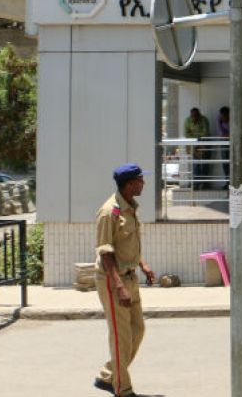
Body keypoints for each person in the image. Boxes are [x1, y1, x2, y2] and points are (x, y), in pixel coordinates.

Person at [94, 163, 155, 397]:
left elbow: (128, 243)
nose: (143, 184)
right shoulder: (110, 211)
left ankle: (109, 375)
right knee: (121, 337)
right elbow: (106, 251)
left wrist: (142, 264)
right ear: (130, 184)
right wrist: (119, 286)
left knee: (137, 331)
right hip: (113, 281)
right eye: (140, 180)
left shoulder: (129, 207)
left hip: (131, 278)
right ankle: (122, 389)